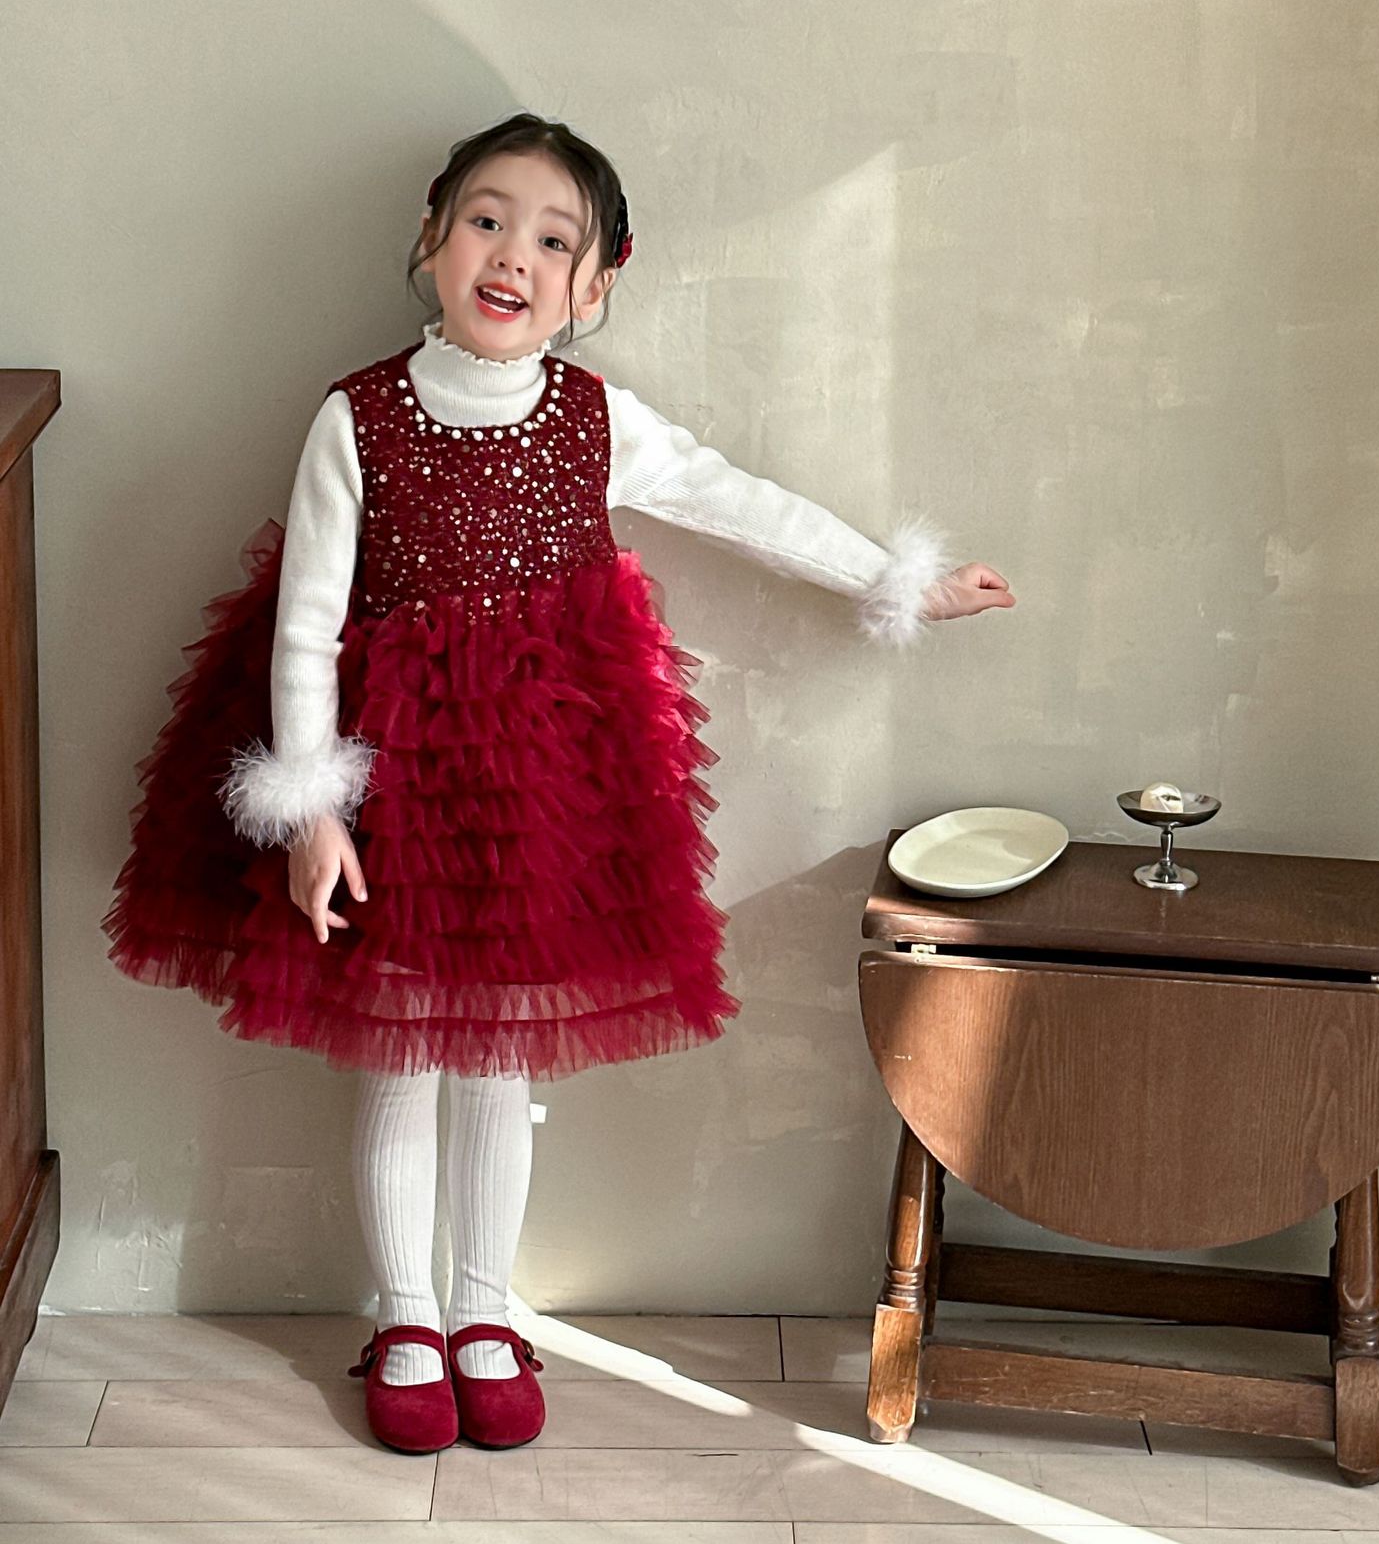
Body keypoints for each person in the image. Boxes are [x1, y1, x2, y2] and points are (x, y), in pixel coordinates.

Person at [104, 111, 1015, 1454]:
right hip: (393, 786)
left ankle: (485, 1311)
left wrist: (897, 579)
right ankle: (406, 1317)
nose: (511, 256)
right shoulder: (356, 417)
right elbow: (305, 622)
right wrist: (312, 810)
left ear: (593, 287)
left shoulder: (596, 419)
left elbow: (737, 500)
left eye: (552, 240)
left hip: (540, 783)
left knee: (498, 1062)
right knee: (401, 1059)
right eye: (486, 221)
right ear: (431, 239)